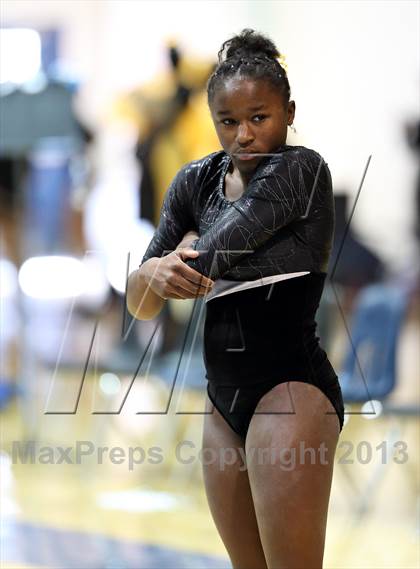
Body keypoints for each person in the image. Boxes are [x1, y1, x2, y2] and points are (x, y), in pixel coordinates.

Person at [127, 28, 345, 569]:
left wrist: (173, 259)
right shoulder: (194, 182)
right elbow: (141, 302)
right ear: (213, 119)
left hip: (290, 392)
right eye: (228, 121)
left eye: (259, 117)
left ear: (289, 111)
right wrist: (156, 267)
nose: (244, 135)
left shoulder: (301, 170)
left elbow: (212, 256)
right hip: (223, 399)